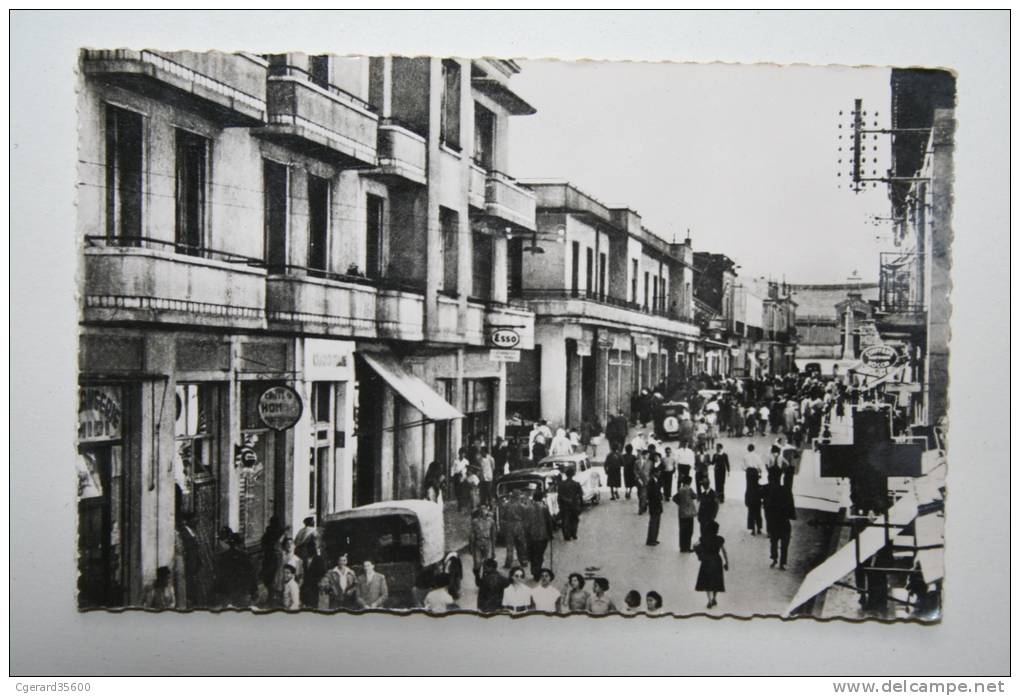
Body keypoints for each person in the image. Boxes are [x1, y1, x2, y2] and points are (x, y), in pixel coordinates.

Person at [212, 532, 257, 609]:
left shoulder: (222, 557)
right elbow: (251, 574)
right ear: (239, 544)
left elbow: (219, 575)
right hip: (241, 591)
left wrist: (217, 590)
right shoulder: (244, 557)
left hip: (226, 592)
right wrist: (253, 591)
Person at [695, 521, 729, 609]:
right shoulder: (719, 539)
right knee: (716, 581)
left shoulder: (703, 538)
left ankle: (709, 600)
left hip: (706, 560)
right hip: (717, 560)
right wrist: (726, 562)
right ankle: (714, 598)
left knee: (707, 581)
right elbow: (724, 551)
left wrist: (699, 555)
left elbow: (695, 545)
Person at [526, 491, 555, 579]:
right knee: (539, 554)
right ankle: (537, 571)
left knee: (532, 554)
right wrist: (550, 534)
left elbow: (525, 523)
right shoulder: (544, 508)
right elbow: (549, 522)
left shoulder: (528, 508)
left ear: (533, 498)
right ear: (541, 498)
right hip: (542, 536)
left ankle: (534, 570)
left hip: (531, 536)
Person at [501, 490, 529, 569]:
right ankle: (523, 561)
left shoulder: (506, 505)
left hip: (509, 525)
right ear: (518, 497)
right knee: (521, 545)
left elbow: (503, 517)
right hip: (519, 525)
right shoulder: (521, 505)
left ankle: (508, 563)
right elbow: (526, 515)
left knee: (509, 546)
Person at [272, 537, 303, 607]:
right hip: (280, 586)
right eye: (287, 544)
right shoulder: (282, 556)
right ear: (285, 546)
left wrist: (296, 587)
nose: (289, 545)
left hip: (290, 587)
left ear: (294, 546)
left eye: (291, 544)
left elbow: (299, 576)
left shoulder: (298, 560)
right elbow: (277, 545)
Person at [469, 504, 497, 581]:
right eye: (481, 509)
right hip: (477, 544)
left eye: (484, 509)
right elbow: (471, 535)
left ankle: (485, 581)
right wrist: (471, 547)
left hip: (487, 543)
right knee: (477, 563)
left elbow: (493, 536)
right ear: (479, 511)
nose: (483, 511)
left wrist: (493, 550)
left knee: (487, 564)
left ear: (487, 510)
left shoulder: (491, 521)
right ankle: (477, 577)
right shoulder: (475, 521)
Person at [301, 537, 328, 610]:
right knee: (306, 603)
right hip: (306, 585)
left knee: (314, 604)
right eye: (308, 548)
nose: (309, 550)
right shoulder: (305, 559)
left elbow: (322, 572)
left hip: (314, 585)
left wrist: (318, 582)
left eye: (311, 548)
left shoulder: (319, 559)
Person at [672, 475, 698, 552]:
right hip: (689, 513)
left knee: (682, 530)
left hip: (681, 512)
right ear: (689, 482)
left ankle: (682, 547)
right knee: (689, 530)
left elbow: (674, 498)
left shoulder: (680, 489)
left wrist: (681, 504)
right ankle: (687, 547)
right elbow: (695, 496)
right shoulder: (689, 489)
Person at [558, 468, 584, 541]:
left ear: (566, 474)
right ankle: (574, 534)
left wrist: (562, 503)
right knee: (574, 520)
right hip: (574, 505)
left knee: (565, 520)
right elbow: (581, 495)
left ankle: (567, 535)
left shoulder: (561, 484)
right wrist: (580, 504)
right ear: (573, 474)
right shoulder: (576, 484)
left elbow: (559, 496)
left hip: (565, 506)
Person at [745, 456, 763, 536]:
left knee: (751, 514)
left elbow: (747, 494)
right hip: (757, 501)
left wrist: (746, 501)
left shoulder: (749, 487)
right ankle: (759, 529)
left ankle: (752, 530)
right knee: (758, 514)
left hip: (751, 501)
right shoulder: (759, 486)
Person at [645, 468, 663, 546]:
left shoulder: (656, 481)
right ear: (654, 473)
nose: (659, 474)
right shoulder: (651, 482)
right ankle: (650, 540)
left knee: (656, 523)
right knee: (653, 523)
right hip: (654, 505)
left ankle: (654, 538)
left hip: (657, 505)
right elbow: (652, 494)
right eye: (658, 472)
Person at [635, 449, 652, 515]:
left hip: (647, 480)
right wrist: (638, 478)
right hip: (639, 480)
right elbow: (635, 471)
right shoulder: (637, 462)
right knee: (639, 494)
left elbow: (651, 472)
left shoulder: (650, 463)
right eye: (646, 455)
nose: (647, 456)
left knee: (643, 494)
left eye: (648, 455)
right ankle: (644, 504)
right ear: (643, 455)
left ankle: (641, 508)